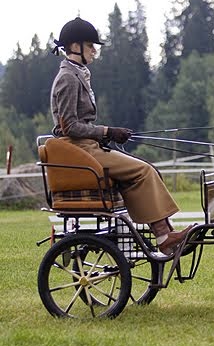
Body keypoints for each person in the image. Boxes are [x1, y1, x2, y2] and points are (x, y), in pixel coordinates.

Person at [50, 17, 191, 255]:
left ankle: (166, 232)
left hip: (88, 147)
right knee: (143, 170)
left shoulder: (77, 74)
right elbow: (69, 127)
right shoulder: (67, 78)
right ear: (75, 47)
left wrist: (105, 134)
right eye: (90, 45)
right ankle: (164, 236)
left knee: (147, 168)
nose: (95, 50)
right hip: (80, 150)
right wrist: (106, 131)